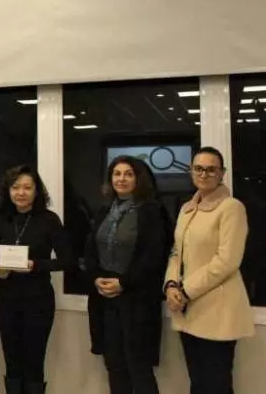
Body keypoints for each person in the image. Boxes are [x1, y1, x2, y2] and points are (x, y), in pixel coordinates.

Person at [164, 147, 253, 394]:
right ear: (191, 171)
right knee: (198, 383)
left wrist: (185, 291)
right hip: (188, 309)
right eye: (199, 168)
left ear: (222, 173)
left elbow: (227, 261)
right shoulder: (187, 209)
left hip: (217, 311)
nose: (204, 174)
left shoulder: (231, 207)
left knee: (216, 385)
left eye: (211, 169)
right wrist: (170, 285)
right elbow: (176, 252)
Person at [85, 156, 169, 394]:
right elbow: (90, 249)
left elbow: (154, 255)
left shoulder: (151, 211)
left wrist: (123, 283)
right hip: (105, 299)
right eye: (117, 173)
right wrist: (95, 277)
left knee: (139, 367)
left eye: (128, 174)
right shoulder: (104, 210)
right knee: (114, 365)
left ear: (138, 179)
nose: (121, 179)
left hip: (137, 299)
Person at [0, 165, 72, 394]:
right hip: (7, 299)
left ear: (37, 191)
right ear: (8, 191)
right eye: (15, 187)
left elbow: (67, 260)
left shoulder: (49, 220)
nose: (21, 193)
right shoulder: (3, 221)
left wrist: (36, 265)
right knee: (12, 363)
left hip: (38, 300)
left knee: (34, 363)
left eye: (27, 187)